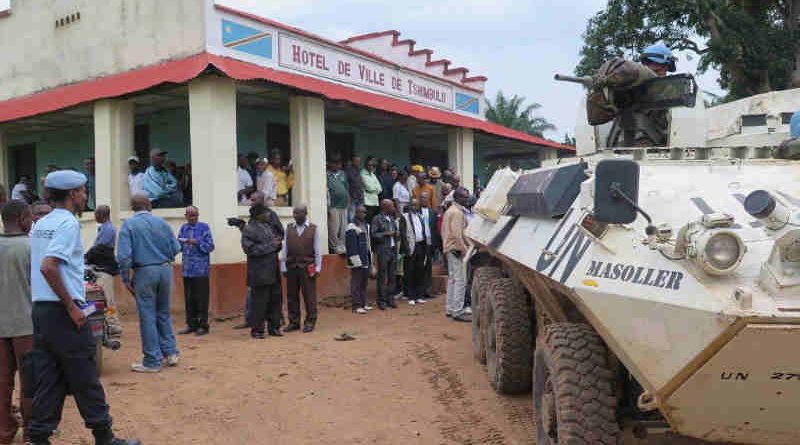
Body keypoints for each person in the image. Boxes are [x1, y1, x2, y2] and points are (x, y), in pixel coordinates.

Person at [28, 170, 140, 445]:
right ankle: (105, 437)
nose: (84, 196)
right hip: (63, 312)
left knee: (50, 376)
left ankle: (38, 437)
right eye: (82, 191)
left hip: (42, 311)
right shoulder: (67, 224)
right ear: (72, 195)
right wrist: (72, 306)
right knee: (85, 374)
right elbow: (48, 266)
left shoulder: (40, 224)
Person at [117, 194, 181, 373]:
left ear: (133, 207)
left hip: (144, 271)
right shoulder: (162, 223)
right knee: (163, 313)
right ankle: (171, 353)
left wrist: (125, 278)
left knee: (147, 316)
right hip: (165, 270)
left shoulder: (128, 225)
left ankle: (152, 360)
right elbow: (176, 248)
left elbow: (123, 257)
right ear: (149, 205)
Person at [0, 200, 33, 444]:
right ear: (23, 218)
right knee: (30, 381)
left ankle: (4, 432)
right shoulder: (31, 247)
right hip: (27, 325)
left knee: (2, 381)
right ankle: (32, 433)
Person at [233, 191, 284, 330]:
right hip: (259, 272)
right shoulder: (249, 229)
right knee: (259, 303)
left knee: (274, 300)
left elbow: (279, 239)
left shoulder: (269, 224)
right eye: (265, 214)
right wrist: (271, 246)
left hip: (272, 269)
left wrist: (278, 244)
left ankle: (274, 327)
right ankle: (257, 329)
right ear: (259, 216)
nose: (268, 215)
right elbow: (251, 249)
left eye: (254, 200)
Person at [280, 204, 322, 333]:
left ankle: (310, 321)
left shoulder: (313, 229)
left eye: (298, 213)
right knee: (292, 296)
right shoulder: (289, 228)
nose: (295, 216)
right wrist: (283, 266)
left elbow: (317, 250)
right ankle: (294, 322)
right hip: (292, 266)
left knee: (309, 296)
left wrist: (318, 268)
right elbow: (285, 248)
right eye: (294, 213)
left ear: (305, 213)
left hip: (308, 267)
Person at [86, 205, 123, 346]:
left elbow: (99, 248)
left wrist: (87, 255)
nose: (95, 216)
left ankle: (114, 325)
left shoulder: (108, 229)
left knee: (108, 300)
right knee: (102, 299)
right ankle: (109, 324)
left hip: (104, 270)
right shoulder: (103, 228)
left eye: (96, 214)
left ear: (103, 214)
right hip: (100, 269)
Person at [177, 206, 215, 337]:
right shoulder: (183, 228)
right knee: (189, 298)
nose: (193, 218)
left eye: (195, 215)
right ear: (186, 216)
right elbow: (179, 246)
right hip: (187, 270)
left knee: (201, 298)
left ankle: (203, 325)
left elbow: (210, 246)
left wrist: (196, 242)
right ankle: (191, 324)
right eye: (190, 215)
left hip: (200, 270)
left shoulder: (204, 228)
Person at [441, 187, 472, 322]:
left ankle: (450, 308)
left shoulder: (450, 211)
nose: (467, 199)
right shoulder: (458, 213)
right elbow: (458, 235)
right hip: (456, 250)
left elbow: (445, 232)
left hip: (449, 249)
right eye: (464, 197)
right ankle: (458, 311)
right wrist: (466, 251)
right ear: (457, 198)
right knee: (460, 281)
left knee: (453, 280)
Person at [399, 198, 430, 305]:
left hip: (420, 246)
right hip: (411, 247)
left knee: (420, 271)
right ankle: (411, 296)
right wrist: (407, 249)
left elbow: (423, 232)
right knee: (410, 272)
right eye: (412, 205)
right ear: (409, 206)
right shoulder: (405, 217)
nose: (414, 207)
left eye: (416, 205)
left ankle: (419, 296)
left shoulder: (420, 217)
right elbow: (402, 234)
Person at [371, 199, 399, 310]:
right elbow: (374, 234)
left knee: (392, 276)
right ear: (385, 207)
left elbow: (395, 233)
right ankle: (381, 301)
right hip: (383, 250)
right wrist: (387, 233)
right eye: (391, 206)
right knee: (382, 277)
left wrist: (396, 234)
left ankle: (390, 299)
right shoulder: (377, 219)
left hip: (392, 250)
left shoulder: (392, 219)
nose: (394, 208)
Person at [346, 205, 373, 315]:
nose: (363, 214)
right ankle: (356, 306)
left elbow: (369, 243)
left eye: (364, 212)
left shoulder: (366, 226)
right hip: (357, 260)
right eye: (360, 212)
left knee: (364, 283)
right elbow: (351, 246)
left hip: (366, 258)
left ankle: (363, 303)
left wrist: (370, 260)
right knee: (356, 283)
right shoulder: (351, 227)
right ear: (356, 213)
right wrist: (356, 262)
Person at [419, 191, 440, 299]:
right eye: (422, 198)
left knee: (428, 267)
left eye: (426, 198)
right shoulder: (416, 211)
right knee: (419, 267)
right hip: (419, 244)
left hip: (430, 243)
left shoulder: (432, 212)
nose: (424, 200)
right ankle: (419, 292)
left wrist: (435, 245)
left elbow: (435, 230)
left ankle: (427, 291)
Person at [326, 155, 348, 254]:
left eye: (338, 163)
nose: (336, 165)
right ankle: (334, 247)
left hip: (343, 205)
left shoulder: (342, 174)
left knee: (343, 227)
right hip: (333, 205)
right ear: (330, 164)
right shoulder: (327, 174)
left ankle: (342, 246)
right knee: (334, 227)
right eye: (334, 163)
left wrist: (348, 201)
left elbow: (346, 188)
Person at [361, 157, 383, 223]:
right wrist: (375, 189)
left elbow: (380, 188)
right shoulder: (362, 174)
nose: (371, 167)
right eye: (369, 165)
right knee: (368, 221)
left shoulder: (373, 174)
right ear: (366, 165)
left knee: (374, 221)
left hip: (375, 202)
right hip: (368, 202)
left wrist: (374, 190)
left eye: (373, 165)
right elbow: (369, 188)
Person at [344, 155, 363, 221]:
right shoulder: (348, 171)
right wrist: (348, 196)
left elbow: (360, 183)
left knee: (359, 214)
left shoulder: (358, 170)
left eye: (359, 161)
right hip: (352, 197)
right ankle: (351, 229)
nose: (358, 162)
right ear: (352, 161)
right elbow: (346, 184)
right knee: (351, 215)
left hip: (359, 196)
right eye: (356, 161)